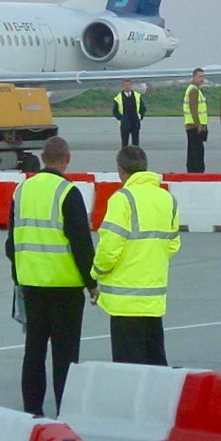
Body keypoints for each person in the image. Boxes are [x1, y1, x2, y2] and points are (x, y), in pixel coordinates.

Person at [5, 136, 98, 417]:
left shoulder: (21, 191)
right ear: (67, 159)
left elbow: (12, 241)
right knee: (65, 356)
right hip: (64, 286)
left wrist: (20, 270)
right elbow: (81, 242)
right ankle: (65, 410)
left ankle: (32, 412)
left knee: (33, 352)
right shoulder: (68, 193)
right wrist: (91, 283)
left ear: (43, 158)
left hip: (30, 283)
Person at [92, 146, 181, 365]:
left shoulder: (123, 199)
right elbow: (173, 245)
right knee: (155, 363)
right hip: (153, 299)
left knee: (128, 368)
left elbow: (109, 247)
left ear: (120, 170)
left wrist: (97, 273)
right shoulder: (167, 198)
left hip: (125, 301)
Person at [183, 67, 208, 172]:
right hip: (194, 125)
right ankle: (197, 172)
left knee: (192, 150)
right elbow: (194, 109)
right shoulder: (194, 90)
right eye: (199, 76)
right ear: (194, 77)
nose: (201, 79)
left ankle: (192, 171)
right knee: (197, 151)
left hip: (191, 125)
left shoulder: (195, 89)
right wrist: (198, 125)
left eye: (203, 76)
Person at [112, 80, 145, 148]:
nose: (127, 87)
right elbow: (115, 111)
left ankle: (136, 156)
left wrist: (140, 117)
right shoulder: (118, 98)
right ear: (123, 86)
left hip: (135, 121)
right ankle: (125, 156)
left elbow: (143, 108)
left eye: (128, 85)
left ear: (131, 86)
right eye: (125, 85)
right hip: (125, 123)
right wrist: (122, 118)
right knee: (124, 143)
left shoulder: (137, 96)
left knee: (136, 142)